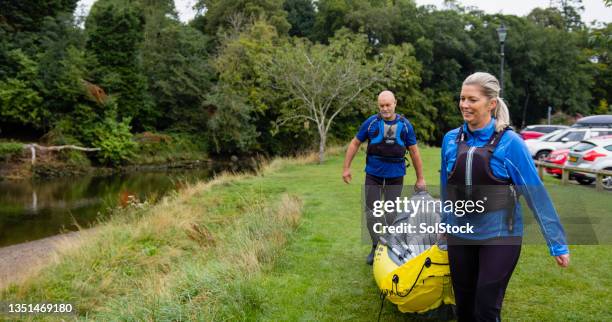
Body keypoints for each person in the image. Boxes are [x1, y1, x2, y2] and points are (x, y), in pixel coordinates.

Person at [440, 72, 570, 321]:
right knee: (464, 307)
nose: (464, 105)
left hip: (500, 235)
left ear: (491, 103)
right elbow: (448, 188)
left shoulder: (510, 143)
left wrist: (557, 243)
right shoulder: (450, 140)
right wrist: (446, 223)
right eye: (462, 98)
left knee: (486, 307)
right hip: (460, 233)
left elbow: (536, 195)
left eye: (472, 100)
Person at [342, 90, 426, 265]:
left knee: (390, 214)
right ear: (378, 105)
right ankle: (374, 246)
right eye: (382, 105)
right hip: (373, 174)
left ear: (395, 103)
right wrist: (346, 168)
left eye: (388, 105)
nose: (385, 108)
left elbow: (414, 152)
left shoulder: (405, 125)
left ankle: (390, 247)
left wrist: (420, 178)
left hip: (395, 175)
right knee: (372, 213)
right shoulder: (371, 123)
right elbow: (355, 143)